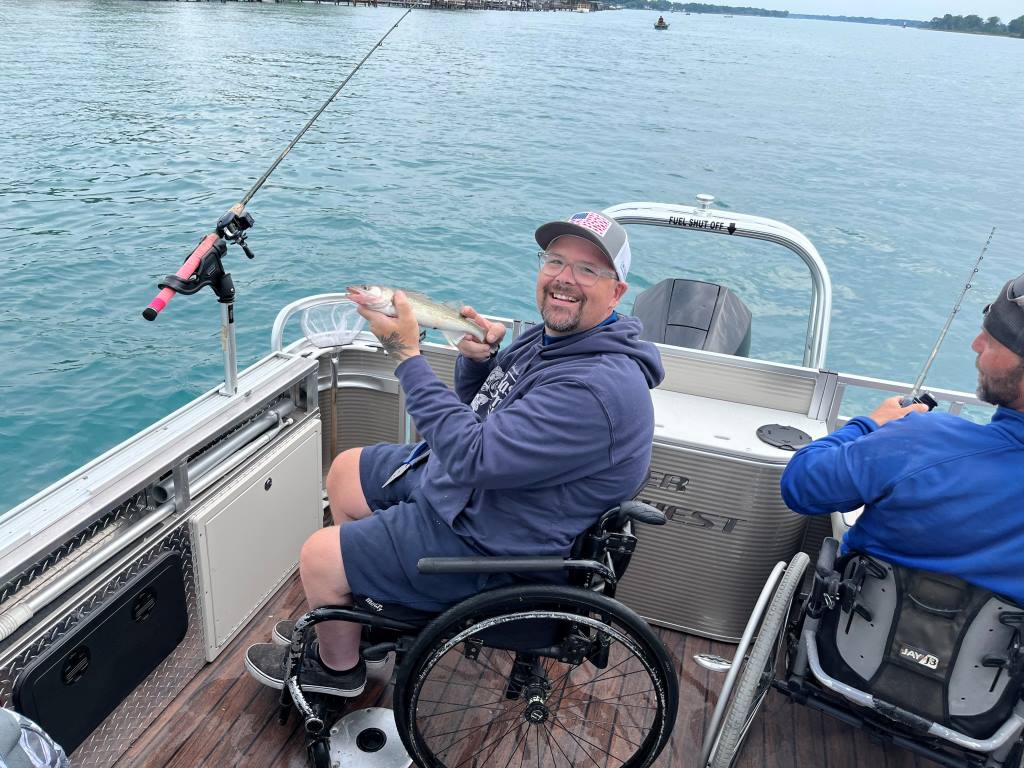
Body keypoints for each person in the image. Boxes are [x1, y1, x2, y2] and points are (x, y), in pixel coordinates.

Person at [245, 211, 665, 696]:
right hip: (489, 494)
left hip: (497, 543)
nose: (564, 278)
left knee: (319, 557)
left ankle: (336, 671)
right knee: (345, 472)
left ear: (617, 292)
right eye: (555, 261)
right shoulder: (552, 338)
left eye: (588, 269)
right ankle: (364, 613)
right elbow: (484, 412)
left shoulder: (595, 388)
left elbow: (473, 456)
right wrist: (478, 362)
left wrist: (406, 355)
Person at [780, 274, 1024, 605]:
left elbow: (801, 485)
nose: (976, 344)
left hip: (850, 634)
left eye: (992, 341)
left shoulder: (922, 441)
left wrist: (870, 424)